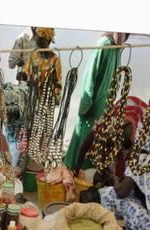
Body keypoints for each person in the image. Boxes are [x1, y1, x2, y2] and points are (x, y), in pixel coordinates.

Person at [64, 32, 129, 170]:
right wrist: (86, 102)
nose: (125, 37)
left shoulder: (117, 48)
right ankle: (73, 170)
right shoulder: (104, 45)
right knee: (83, 139)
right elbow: (90, 73)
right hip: (92, 106)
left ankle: (84, 174)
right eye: (124, 33)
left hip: (104, 105)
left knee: (96, 141)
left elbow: (115, 79)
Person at [72, 96, 148, 179]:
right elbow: (84, 146)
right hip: (121, 118)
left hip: (138, 127)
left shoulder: (141, 137)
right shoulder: (104, 125)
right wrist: (76, 169)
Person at [23, 27, 62, 103]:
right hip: (32, 97)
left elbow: (58, 80)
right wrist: (23, 75)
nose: (39, 47)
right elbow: (26, 72)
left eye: (42, 44)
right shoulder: (33, 56)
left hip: (47, 98)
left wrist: (56, 94)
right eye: (38, 44)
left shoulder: (54, 59)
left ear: (49, 42)